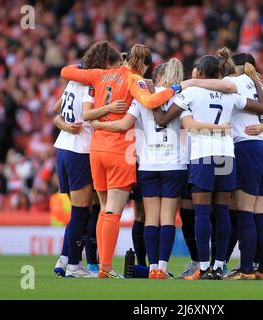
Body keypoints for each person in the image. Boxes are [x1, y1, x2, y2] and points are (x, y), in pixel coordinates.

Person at [61, 44, 182, 278]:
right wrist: (175, 88)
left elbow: (66, 71)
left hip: (96, 149)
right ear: (144, 65)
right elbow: (149, 102)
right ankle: (105, 268)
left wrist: (82, 66)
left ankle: (98, 264)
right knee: (113, 212)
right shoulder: (134, 80)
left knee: (103, 209)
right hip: (119, 150)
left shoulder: (99, 74)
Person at [172, 55, 263, 280]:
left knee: (203, 212)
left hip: (203, 155)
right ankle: (219, 266)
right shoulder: (230, 94)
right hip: (226, 154)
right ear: (219, 74)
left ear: (200, 73)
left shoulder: (191, 92)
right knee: (223, 211)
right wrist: (256, 83)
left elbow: (165, 115)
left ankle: (203, 266)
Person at [52, 41, 125, 278]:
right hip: (80, 150)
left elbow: (57, 109)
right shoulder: (91, 84)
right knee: (82, 211)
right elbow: (85, 114)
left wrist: (63, 124)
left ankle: (64, 260)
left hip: (63, 148)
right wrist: (110, 108)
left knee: (80, 210)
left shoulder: (74, 80)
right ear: (105, 64)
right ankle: (74, 264)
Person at [218, 49, 263, 280]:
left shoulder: (229, 82)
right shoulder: (254, 82)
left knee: (244, 212)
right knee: (259, 212)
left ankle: (246, 269)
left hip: (246, 147)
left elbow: (217, 88)